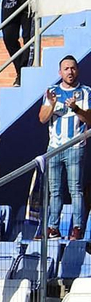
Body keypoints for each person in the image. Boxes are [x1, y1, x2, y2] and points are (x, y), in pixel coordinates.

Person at [38, 55, 91, 239]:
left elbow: (89, 120)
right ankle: (53, 227)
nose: (70, 71)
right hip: (54, 148)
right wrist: (52, 104)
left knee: (75, 188)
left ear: (77, 70)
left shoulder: (85, 92)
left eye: (73, 68)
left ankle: (77, 227)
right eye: (66, 69)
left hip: (75, 147)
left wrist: (76, 108)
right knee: (55, 191)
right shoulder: (52, 91)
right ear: (60, 72)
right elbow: (42, 119)